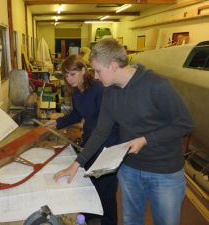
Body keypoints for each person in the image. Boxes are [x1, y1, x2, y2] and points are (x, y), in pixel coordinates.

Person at [53, 38, 193, 225]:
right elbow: (101, 131)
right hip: (130, 168)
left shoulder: (156, 85)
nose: (95, 76)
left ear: (112, 66)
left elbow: (184, 123)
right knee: (130, 220)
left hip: (164, 171)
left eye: (97, 71)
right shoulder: (110, 92)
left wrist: (146, 139)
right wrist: (77, 163)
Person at [45, 54, 119, 225]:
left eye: (72, 74)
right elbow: (77, 114)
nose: (69, 79)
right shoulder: (77, 91)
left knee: (106, 188)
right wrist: (57, 122)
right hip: (90, 141)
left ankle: (108, 221)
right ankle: (91, 214)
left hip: (108, 144)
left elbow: (106, 124)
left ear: (84, 70)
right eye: (66, 75)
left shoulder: (100, 89)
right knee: (90, 184)